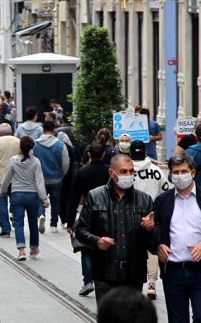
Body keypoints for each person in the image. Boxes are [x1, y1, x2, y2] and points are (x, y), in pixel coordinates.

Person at [75, 154, 155, 304]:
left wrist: (150, 229)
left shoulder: (144, 200)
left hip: (133, 274)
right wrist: (97, 241)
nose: (129, 175)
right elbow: (80, 231)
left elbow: (153, 243)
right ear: (112, 173)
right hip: (105, 273)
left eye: (132, 172)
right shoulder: (95, 196)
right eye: (124, 172)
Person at [153, 153, 201, 322]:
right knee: (177, 319)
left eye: (184, 171)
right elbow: (156, 231)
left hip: (199, 271)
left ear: (192, 172)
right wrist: (159, 245)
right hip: (173, 271)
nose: (180, 176)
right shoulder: (162, 201)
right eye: (176, 172)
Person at [67, 143, 111, 296]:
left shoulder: (82, 172)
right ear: (104, 155)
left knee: (86, 247)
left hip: (88, 212)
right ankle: (105, 278)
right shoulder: (109, 171)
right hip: (108, 212)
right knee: (105, 244)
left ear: (89, 155)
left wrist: (70, 220)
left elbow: (74, 196)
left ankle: (87, 281)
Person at [129, 140, 169, 300]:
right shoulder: (156, 170)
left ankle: (134, 281)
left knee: (134, 248)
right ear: (145, 152)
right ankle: (152, 283)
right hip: (152, 214)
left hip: (131, 214)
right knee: (152, 249)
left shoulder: (127, 171)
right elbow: (167, 188)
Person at [0, 136, 49, 261]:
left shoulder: (13, 160)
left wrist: (3, 190)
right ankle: (34, 248)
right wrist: (44, 198)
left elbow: (7, 178)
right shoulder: (36, 162)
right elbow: (39, 181)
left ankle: (21, 250)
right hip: (32, 196)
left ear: (20, 147)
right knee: (33, 223)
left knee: (19, 223)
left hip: (17, 195)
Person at [33, 121, 69, 234]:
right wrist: (62, 174)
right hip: (56, 178)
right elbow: (65, 163)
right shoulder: (60, 144)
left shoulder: (35, 144)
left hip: (41, 178)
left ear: (43, 130)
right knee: (55, 201)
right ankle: (53, 224)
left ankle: (41, 215)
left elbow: (32, 161)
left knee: (41, 199)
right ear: (54, 130)